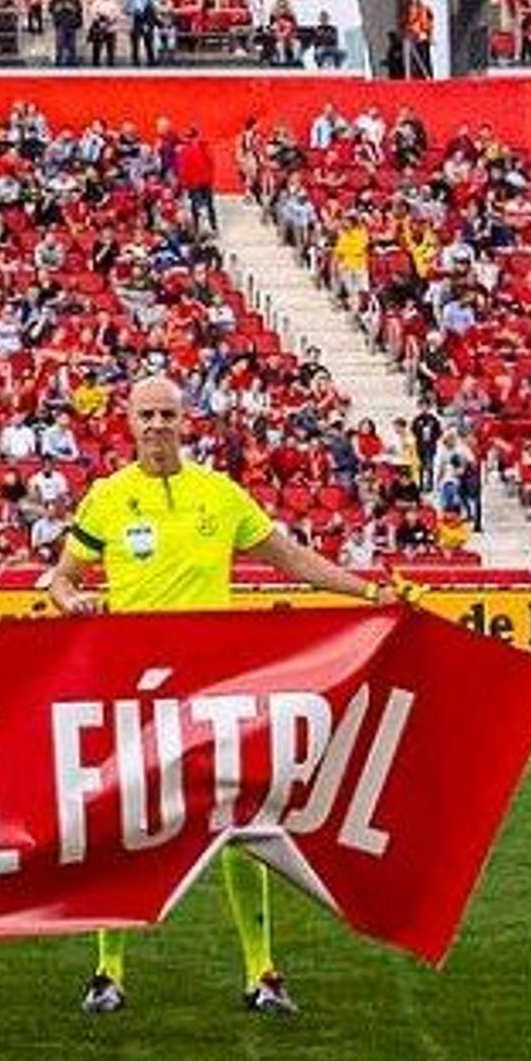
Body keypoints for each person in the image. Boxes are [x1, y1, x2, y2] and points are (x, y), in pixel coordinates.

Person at [36, 372, 399, 1018]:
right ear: (128, 422)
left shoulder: (219, 495)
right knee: (127, 823)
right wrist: (74, 600)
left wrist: (368, 593)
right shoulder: (107, 499)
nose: (156, 426)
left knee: (241, 824)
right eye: (145, 415)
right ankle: (107, 972)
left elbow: (290, 561)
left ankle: (263, 973)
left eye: (166, 415)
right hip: (136, 687)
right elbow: (60, 580)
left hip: (215, 689)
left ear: (185, 420)